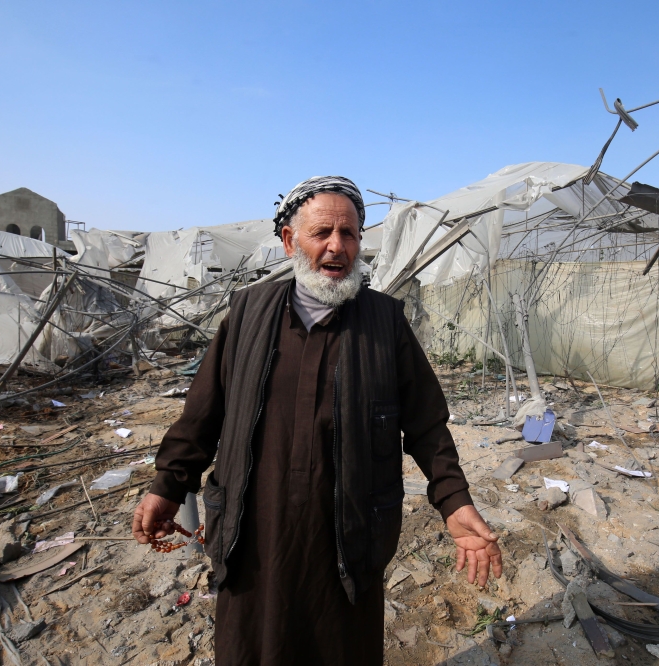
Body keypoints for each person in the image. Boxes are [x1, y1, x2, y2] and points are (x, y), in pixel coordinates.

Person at [132, 176, 502, 665]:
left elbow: (427, 424)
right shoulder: (246, 313)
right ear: (290, 241)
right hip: (253, 527)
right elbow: (204, 411)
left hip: (347, 534)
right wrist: (168, 485)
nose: (336, 246)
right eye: (321, 232)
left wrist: (453, 500)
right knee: (252, 647)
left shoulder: (385, 322)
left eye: (348, 234)